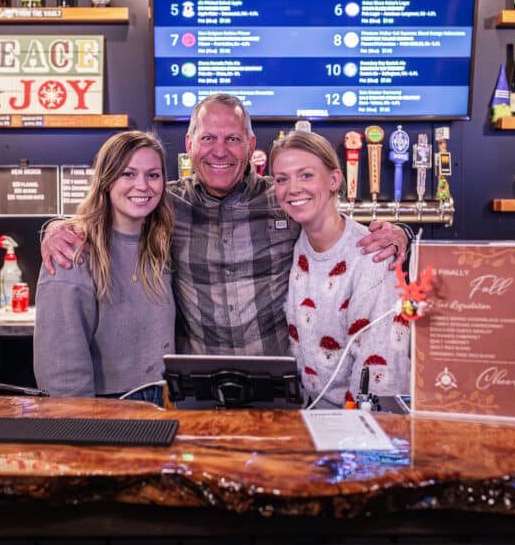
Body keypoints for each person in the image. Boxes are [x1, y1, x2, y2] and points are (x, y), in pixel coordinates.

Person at [41, 93, 410, 357]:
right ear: (189, 144)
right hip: (195, 388)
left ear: (250, 146)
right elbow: (108, 213)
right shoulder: (164, 203)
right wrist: (58, 228)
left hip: (280, 383)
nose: (220, 150)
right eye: (208, 138)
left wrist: (398, 233)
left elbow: (336, 229)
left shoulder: (283, 198)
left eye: (232, 139)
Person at [269, 131, 410, 407]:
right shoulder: (299, 242)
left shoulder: (373, 254)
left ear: (334, 180)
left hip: (362, 423)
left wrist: (354, 439)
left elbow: (380, 373)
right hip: (311, 414)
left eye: (306, 175)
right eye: (282, 179)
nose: (293, 188)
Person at [33, 131, 175, 404]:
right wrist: (80, 426)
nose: (142, 186)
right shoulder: (73, 250)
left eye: (153, 175)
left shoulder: (161, 243)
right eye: (128, 174)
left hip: (166, 400)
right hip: (108, 405)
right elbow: (60, 367)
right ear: (106, 180)